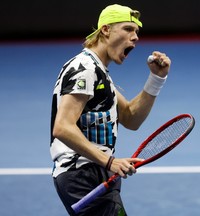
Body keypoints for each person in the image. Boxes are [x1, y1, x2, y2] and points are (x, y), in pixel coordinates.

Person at [50, 4, 171, 216]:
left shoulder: (100, 73)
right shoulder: (85, 68)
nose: (135, 37)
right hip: (82, 173)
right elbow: (62, 127)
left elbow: (131, 118)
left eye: (136, 32)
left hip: (98, 171)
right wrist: (110, 162)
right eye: (128, 29)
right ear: (106, 30)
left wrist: (156, 79)